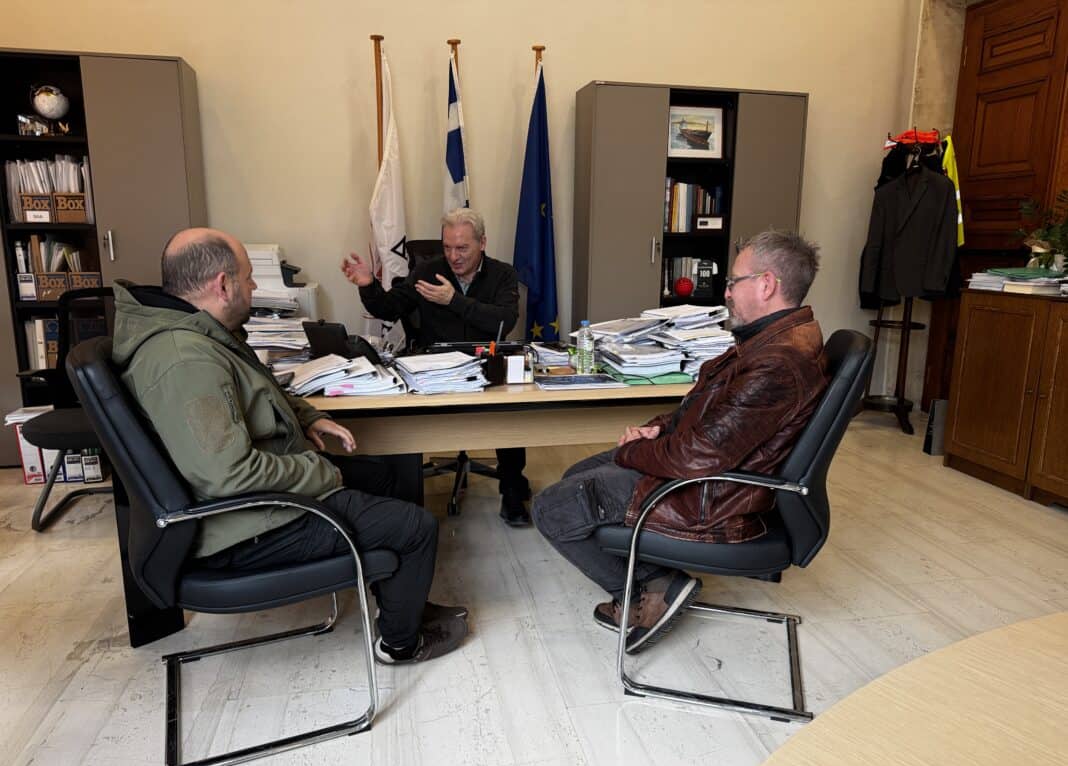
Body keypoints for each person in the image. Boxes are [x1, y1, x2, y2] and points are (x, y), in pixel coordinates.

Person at [111, 227, 468, 664]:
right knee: (417, 527)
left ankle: (399, 605)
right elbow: (229, 475)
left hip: (252, 501)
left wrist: (307, 417)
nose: (253, 287)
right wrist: (319, 471)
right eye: (248, 278)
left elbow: (259, 389)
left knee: (385, 476)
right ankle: (401, 645)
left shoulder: (199, 332)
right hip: (243, 528)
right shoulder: (185, 359)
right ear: (222, 285)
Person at [531, 230, 828, 654]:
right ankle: (656, 580)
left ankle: (650, 589)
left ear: (766, 285)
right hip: (710, 477)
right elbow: (707, 412)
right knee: (576, 475)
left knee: (551, 508)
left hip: (710, 497)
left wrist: (632, 450)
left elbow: (700, 455)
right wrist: (656, 429)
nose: (727, 292)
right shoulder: (772, 341)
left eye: (734, 281)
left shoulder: (778, 362)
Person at [341, 208, 533, 526]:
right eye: (447, 247)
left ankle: (512, 491)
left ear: (482, 243)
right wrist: (367, 284)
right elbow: (389, 308)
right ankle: (407, 504)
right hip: (435, 371)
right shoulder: (427, 271)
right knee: (401, 420)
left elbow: (504, 320)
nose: (453, 256)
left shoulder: (502, 274)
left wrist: (453, 300)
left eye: (462, 248)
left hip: (485, 367)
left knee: (510, 410)